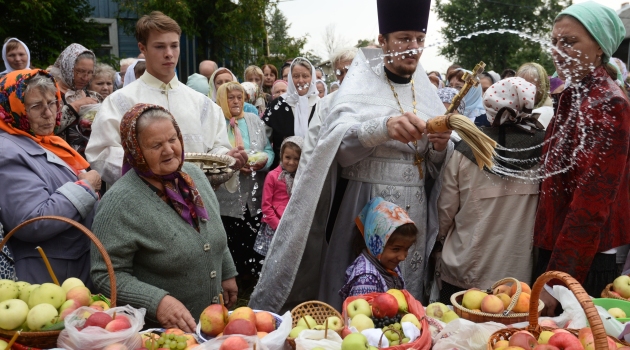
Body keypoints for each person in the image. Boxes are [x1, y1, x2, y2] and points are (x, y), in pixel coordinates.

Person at [250, 0, 452, 312]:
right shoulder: (360, 85)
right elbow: (336, 148)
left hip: (415, 211)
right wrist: (382, 128)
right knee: (358, 301)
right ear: (382, 42)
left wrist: (440, 147)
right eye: (404, 39)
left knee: (405, 297)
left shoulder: (426, 93)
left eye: (419, 39)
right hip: (365, 202)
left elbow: (435, 167)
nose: (413, 47)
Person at [90, 103, 237, 332]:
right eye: (156, 145)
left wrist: (226, 272)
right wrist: (157, 302)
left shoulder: (194, 176)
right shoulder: (119, 203)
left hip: (210, 325)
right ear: (135, 150)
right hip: (160, 334)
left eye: (173, 139)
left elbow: (210, 227)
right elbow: (105, 275)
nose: (169, 150)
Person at [536, 2, 630, 315]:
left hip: (584, 260)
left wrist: (557, 281)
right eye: (555, 41)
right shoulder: (573, 95)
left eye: (570, 42)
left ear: (600, 49)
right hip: (560, 252)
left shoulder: (606, 103)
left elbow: (592, 202)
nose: (558, 50)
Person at [86, 11, 247, 186]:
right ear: (143, 48)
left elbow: (214, 148)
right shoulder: (119, 102)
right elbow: (101, 154)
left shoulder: (202, 103)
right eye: (160, 46)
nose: (169, 53)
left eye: (174, 45)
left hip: (196, 199)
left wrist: (226, 157)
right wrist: (152, 172)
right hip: (142, 201)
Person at [435, 77, 544, 303]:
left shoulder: (465, 150)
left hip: (467, 271)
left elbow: (444, 213)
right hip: (518, 277)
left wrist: (437, 243)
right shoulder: (543, 149)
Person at [0, 69, 100, 285]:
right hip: (46, 276)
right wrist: (86, 187)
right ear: (13, 108)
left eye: (52, 102)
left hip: (69, 269)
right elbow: (31, 221)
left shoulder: (45, 141)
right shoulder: (7, 151)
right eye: (36, 106)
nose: (48, 113)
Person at [213, 82, 273, 289]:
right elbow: (212, 154)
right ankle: (231, 278)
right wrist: (236, 166)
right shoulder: (216, 123)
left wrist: (265, 160)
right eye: (231, 98)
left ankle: (250, 278)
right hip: (226, 194)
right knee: (231, 233)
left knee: (252, 230)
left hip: (254, 188)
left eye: (239, 97)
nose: (236, 101)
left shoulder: (254, 120)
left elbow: (268, 149)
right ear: (222, 99)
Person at [340, 198, 416, 299]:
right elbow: (363, 314)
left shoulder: (388, 265)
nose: (402, 257)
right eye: (396, 249)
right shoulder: (366, 279)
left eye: (407, 249)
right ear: (376, 244)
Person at [263, 57, 320, 168]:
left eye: (305, 76)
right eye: (296, 76)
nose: (301, 80)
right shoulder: (277, 105)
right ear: (289, 78)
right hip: (281, 173)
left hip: (313, 170)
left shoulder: (321, 106)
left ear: (312, 78)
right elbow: (263, 139)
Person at [49, 44, 102, 156]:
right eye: (80, 71)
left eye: (89, 72)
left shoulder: (92, 95)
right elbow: (47, 127)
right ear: (66, 67)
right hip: (61, 159)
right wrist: (75, 107)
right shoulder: (49, 94)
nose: (85, 77)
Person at [254, 137, 302, 257]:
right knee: (272, 259)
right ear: (281, 156)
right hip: (274, 226)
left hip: (293, 226)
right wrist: (278, 225)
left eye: (296, 159)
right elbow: (266, 206)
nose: (291, 162)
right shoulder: (272, 176)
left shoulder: (301, 178)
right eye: (288, 157)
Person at [516, 62, 554, 128]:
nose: (523, 90)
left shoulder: (545, 113)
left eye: (530, 85)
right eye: (519, 84)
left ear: (542, 88)